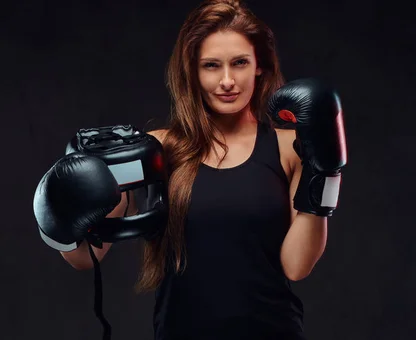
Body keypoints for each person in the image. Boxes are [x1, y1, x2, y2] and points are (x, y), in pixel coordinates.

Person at [43, 0, 346, 338]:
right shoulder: (155, 150)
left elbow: (297, 265)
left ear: (259, 65)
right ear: (193, 71)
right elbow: (85, 258)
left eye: (240, 63)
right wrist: (62, 211)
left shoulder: (290, 147)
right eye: (212, 66)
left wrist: (326, 171)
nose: (227, 80)